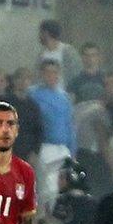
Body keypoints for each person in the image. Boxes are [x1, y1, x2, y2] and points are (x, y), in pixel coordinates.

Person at [28, 60, 76, 212]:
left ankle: (57, 218)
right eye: (48, 72)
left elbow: (70, 125)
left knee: (64, 187)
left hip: (63, 148)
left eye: (55, 72)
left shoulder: (64, 97)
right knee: (47, 188)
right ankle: (44, 220)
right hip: (45, 146)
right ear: (42, 74)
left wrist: (73, 151)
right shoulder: (33, 94)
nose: (52, 76)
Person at [42, 158, 97, 224]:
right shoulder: (94, 203)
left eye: (61, 177)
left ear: (71, 178)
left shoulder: (62, 202)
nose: (58, 181)